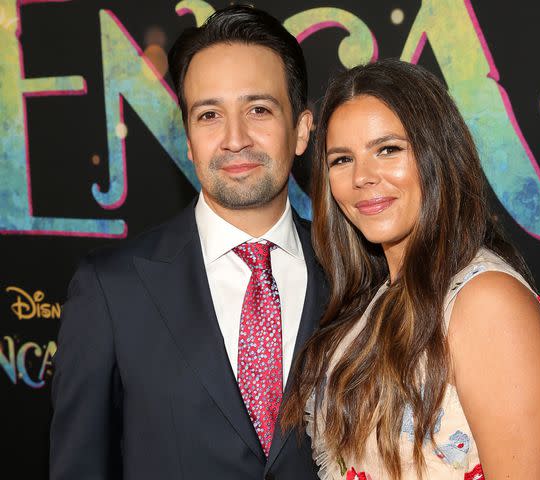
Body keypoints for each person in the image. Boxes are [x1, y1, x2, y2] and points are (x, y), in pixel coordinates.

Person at [50, 5, 327, 479]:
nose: (234, 139)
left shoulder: (359, 275)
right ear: (188, 139)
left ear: (301, 130)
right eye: (209, 115)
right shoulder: (111, 288)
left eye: (258, 109)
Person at [282, 59, 540, 480]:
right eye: (342, 160)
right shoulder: (371, 301)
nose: (363, 177)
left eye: (388, 149)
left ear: (437, 154)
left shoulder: (486, 301)